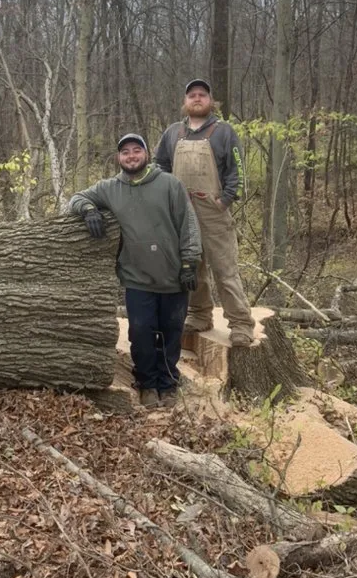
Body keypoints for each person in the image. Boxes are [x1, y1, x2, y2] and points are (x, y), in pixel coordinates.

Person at [69, 133, 201, 410]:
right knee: (140, 332)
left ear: (146, 154)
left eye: (136, 150)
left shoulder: (169, 184)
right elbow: (77, 198)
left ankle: (168, 384)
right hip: (136, 277)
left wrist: (190, 262)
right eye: (125, 152)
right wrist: (89, 210)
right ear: (119, 158)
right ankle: (148, 384)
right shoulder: (110, 188)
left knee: (171, 332)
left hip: (173, 275)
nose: (131, 156)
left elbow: (188, 224)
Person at [154, 79, 255, 346]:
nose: (197, 98)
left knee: (225, 269)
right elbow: (159, 165)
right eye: (192, 95)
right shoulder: (173, 133)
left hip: (212, 208)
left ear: (211, 102)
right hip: (180, 210)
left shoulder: (224, 132)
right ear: (185, 102)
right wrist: (167, 195)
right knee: (190, 266)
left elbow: (237, 170)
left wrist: (225, 201)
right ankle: (199, 314)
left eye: (202, 95)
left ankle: (242, 324)